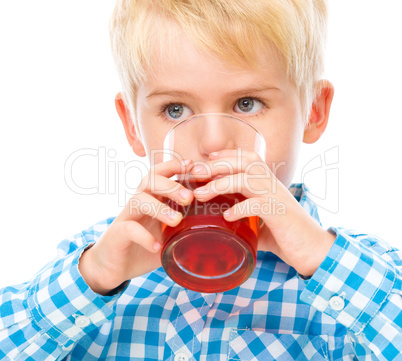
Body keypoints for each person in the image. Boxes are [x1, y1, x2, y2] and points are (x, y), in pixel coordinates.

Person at [1, 0, 401, 360]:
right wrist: (93, 278)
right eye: (175, 109)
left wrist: (320, 256)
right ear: (132, 126)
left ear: (314, 111)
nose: (212, 142)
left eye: (247, 104)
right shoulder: (98, 261)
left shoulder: (356, 275)